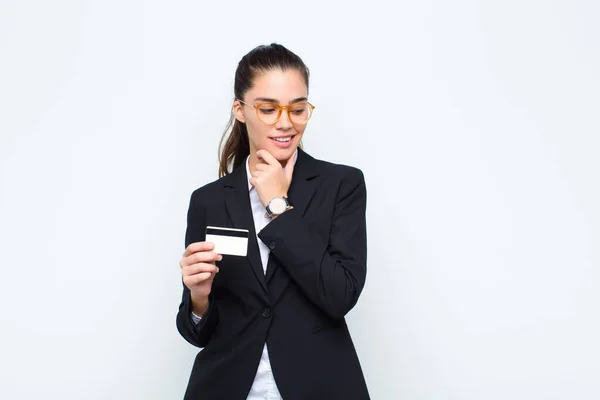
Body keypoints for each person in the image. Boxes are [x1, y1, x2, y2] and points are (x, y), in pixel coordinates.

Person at [176, 43, 370, 400]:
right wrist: (198, 298)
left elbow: (340, 295)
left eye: (298, 109)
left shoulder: (341, 186)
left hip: (319, 386)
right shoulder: (208, 201)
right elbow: (198, 333)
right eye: (268, 109)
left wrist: (278, 205)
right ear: (240, 110)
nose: (286, 123)